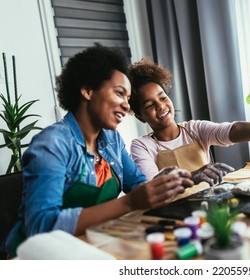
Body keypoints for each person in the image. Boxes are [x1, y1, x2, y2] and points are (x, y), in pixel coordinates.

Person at [2, 45, 193, 258]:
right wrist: (129, 203)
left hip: (92, 241)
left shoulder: (111, 139)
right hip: (38, 255)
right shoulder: (52, 144)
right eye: (119, 93)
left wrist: (177, 181)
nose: (125, 105)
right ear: (88, 91)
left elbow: (137, 183)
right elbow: (41, 226)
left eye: (127, 98)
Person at [128, 58, 250, 185]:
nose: (161, 106)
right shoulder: (142, 146)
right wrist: (192, 176)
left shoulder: (194, 129)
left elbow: (231, 131)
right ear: (140, 116)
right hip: (171, 212)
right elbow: (151, 185)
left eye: (163, 98)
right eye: (150, 105)